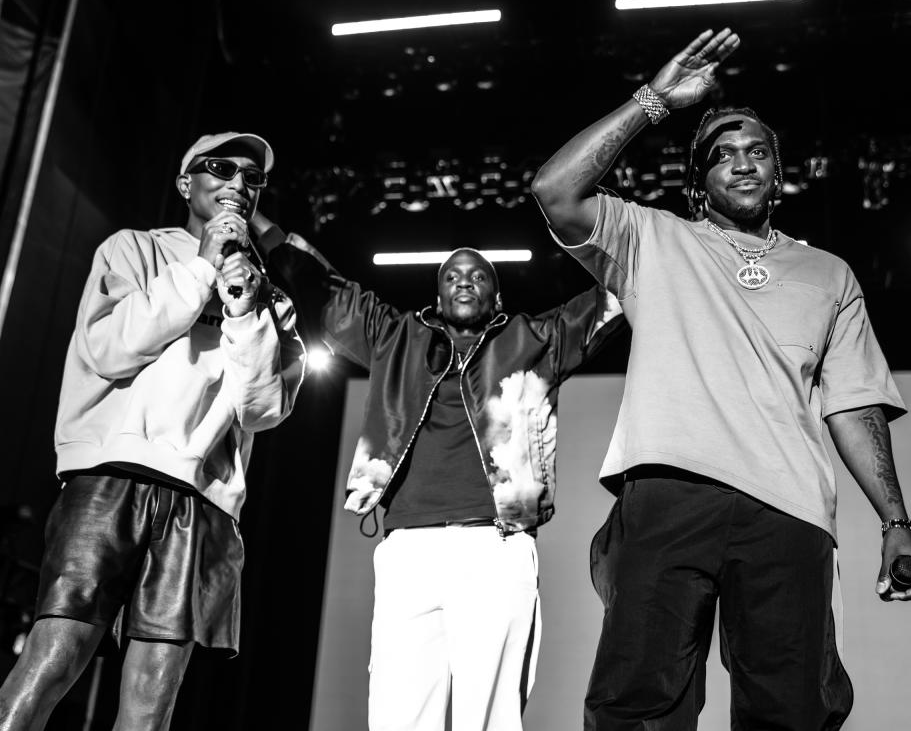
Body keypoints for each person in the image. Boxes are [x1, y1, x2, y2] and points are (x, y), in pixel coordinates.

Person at [531, 29, 911, 730]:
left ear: (779, 172)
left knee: (792, 710)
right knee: (637, 706)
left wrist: (896, 522)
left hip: (790, 509)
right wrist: (654, 101)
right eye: (723, 154)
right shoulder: (651, 237)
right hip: (668, 491)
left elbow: (854, 405)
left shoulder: (829, 273)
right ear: (697, 181)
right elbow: (554, 190)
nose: (742, 164)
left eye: (758, 153)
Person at [250, 214, 624, 731]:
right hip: (409, 551)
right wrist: (257, 223)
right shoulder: (395, 337)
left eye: (478, 275)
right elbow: (323, 287)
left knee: (490, 720)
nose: (463, 280)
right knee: (397, 717)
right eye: (451, 275)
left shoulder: (533, 339)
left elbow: (614, 296)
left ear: (497, 298)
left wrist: (654, 241)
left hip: (495, 547)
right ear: (437, 295)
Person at [0, 132, 305, 731]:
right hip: (110, 477)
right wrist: (199, 270)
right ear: (185, 183)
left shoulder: (272, 301)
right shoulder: (132, 251)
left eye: (252, 177)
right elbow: (110, 350)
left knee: (150, 704)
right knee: (51, 664)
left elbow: (263, 408)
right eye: (221, 167)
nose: (238, 184)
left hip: (205, 503)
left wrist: (244, 309)